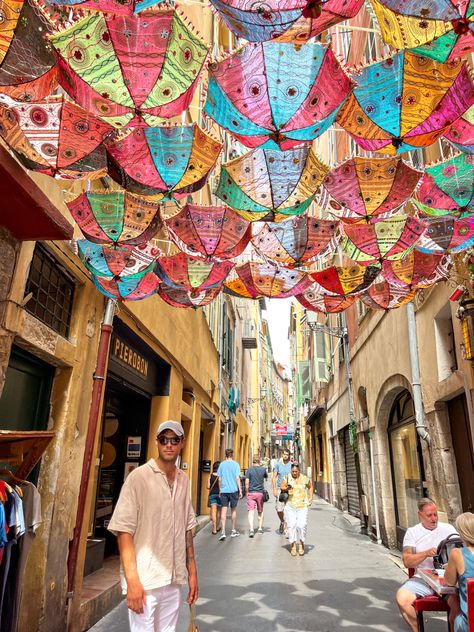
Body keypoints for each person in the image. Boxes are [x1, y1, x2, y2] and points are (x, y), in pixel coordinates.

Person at [108, 420, 198, 632]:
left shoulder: (184, 481)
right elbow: (124, 531)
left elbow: (187, 530)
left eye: (174, 440)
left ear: (182, 443)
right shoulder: (138, 478)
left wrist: (192, 574)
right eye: (164, 439)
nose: (169, 444)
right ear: (156, 442)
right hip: (146, 581)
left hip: (173, 580)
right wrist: (132, 581)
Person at [396, 497, 458, 632]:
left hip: (448, 579)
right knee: (402, 598)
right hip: (423, 579)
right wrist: (425, 554)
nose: (434, 518)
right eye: (429, 515)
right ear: (420, 515)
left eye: (435, 514)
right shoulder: (412, 532)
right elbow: (407, 561)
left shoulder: (448, 529)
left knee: (458, 604)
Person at [445, 512, 474, 632]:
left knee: (453, 610)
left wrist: (451, 566)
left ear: (462, 533)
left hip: (469, 623)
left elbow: (449, 582)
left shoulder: (457, 554)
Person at [281, 462, 313, 556]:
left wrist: (310, 497)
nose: (294, 473)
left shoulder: (304, 478)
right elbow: (282, 487)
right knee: (292, 526)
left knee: (301, 525)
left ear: (299, 471)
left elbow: (310, 487)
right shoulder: (287, 477)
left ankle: (302, 544)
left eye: (296, 471)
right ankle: (293, 546)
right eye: (293, 471)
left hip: (302, 506)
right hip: (290, 506)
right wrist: (287, 488)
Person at [217, 448, 242, 541]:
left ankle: (223, 532)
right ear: (232, 455)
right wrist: (240, 490)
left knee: (224, 510)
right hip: (233, 490)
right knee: (233, 510)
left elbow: (219, 479)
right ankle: (233, 530)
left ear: (225, 455)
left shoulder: (222, 465)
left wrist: (220, 490)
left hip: (224, 490)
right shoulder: (236, 464)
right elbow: (237, 478)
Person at [245, 455, 268, 537]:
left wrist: (247, 492)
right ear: (259, 461)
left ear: (253, 461)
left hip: (251, 492)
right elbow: (266, 476)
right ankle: (260, 528)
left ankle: (251, 529)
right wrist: (262, 466)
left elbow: (247, 482)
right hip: (260, 493)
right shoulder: (263, 469)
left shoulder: (249, 470)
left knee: (251, 511)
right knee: (260, 511)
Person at [272, 449, 292, 534]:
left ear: (289, 456)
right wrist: (274, 489)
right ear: (282, 455)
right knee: (279, 509)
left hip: (290, 490)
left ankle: (286, 526)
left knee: (288, 509)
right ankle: (282, 521)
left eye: (287, 455)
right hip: (280, 490)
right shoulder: (278, 465)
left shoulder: (292, 465)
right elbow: (274, 477)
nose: (285, 456)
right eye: (284, 454)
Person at [207, 461, 221, 535]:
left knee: (213, 511)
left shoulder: (210, 475)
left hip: (212, 494)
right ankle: (218, 527)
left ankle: (214, 529)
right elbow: (221, 485)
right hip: (219, 495)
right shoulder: (220, 476)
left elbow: (208, 486)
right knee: (218, 511)